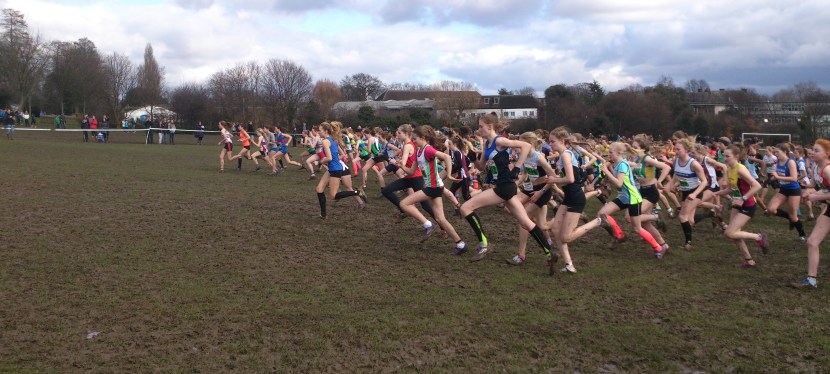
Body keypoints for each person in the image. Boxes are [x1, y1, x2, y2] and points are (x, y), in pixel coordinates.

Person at [457, 114, 556, 275]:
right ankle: (549, 252)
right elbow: (482, 167)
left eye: (481, 126)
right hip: (507, 187)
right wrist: (473, 158)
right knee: (526, 222)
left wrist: (517, 167)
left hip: (503, 188)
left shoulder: (499, 141)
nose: (478, 129)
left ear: (490, 126)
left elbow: (524, 146)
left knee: (465, 208)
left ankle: (484, 243)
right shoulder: (487, 144)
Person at [397, 125, 467, 253]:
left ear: (423, 138)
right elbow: (412, 171)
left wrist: (450, 175)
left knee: (404, 203)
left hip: (433, 187)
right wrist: (402, 166)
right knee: (440, 218)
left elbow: (447, 157)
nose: (413, 141)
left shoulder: (428, 150)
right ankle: (460, 244)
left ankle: (427, 224)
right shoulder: (419, 151)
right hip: (433, 187)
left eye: (415, 139)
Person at [715, 144, 769, 268]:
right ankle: (749, 260)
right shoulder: (729, 169)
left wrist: (742, 198)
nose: (725, 158)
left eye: (727, 156)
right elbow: (731, 188)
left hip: (748, 204)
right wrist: (717, 192)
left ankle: (758, 237)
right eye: (724, 155)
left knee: (729, 232)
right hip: (737, 203)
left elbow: (757, 185)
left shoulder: (740, 169)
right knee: (734, 233)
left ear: (736, 156)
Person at [792, 139, 830, 289]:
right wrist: (807, 190)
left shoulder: (827, 169)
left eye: (817, 150)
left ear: (827, 154)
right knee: (812, 241)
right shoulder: (815, 167)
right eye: (812, 150)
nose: (812, 152)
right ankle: (811, 280)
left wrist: (817, 197)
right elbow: (814, 185)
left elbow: (822, 192)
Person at [766, 143, 807, 241]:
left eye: (777, 152)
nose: (775, 154)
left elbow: (794, 178)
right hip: (783, 189)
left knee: (794, 216)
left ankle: (802, 234)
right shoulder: (778, 162)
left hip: (793, 190)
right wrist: (766, 182)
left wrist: (778, 177)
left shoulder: (790, 162)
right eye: (775, 152)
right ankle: (790, 218)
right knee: (771, 209)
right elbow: (775, 174)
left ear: (784, 151)